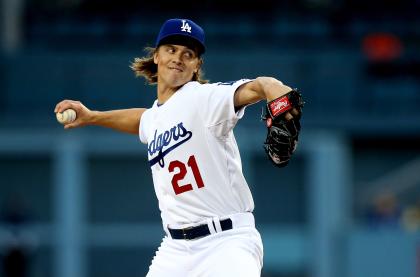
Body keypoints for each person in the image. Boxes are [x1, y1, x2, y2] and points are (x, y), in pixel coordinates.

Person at [54, 18, 302, 277]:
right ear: (157, 56)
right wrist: (93, 116)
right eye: (171, 49)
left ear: (197, 65)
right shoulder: (156, 117)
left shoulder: (203, 98)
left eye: (188, 54)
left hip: (226, 243)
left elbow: (258, 86)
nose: (179, 58)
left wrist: (274, 89)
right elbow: (144, 121)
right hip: (175, 249)